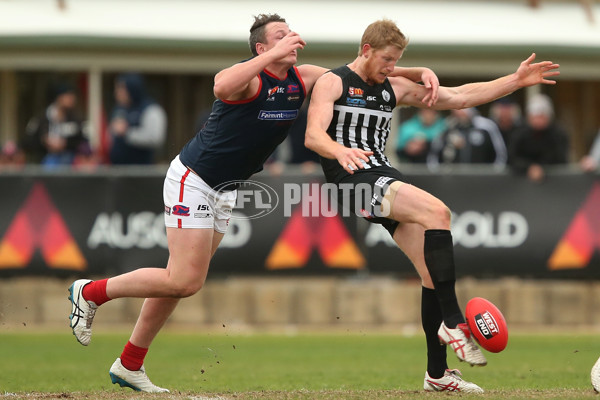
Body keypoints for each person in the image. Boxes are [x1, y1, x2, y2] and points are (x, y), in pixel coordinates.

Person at [67, 13, 441, 393]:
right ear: (262, 48)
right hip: (193, 179)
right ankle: (90, 292)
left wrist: (415, 70)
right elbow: (220, 85)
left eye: (291, 32)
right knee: (183, 280)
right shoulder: (250, 79)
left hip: (226, 189)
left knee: (178, 282)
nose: (291, 38)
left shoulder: (304, 77)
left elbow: (359, 71)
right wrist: (271, 54)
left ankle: (130, 364)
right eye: (281, 35)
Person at [304, 19, 559, 393]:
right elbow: (313, 136)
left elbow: (460, 97)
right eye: (387, 59)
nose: (391, 67)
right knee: (438, 212)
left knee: (431, 272)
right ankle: (454, 321)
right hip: (352, 180)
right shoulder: (334, 81)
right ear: (366, 50)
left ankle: (436, 375)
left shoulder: (393, 87)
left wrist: (515, 81)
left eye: (397, 61)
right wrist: (340, 151)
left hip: (381, 175)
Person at [22, 82, 88, 168]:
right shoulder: (41, 118)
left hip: (70, 163)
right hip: (44, 161)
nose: (72, 99)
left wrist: (65, 144)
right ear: (59, 97)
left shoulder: (77, 118)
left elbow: (85, 141)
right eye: (68, 95)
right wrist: (44, 141)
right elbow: (27, 142)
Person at [508, 93, 569, 183]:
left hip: (553, 184)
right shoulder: (519, 133)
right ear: (529, 116)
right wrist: (529, 167)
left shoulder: (558, 134)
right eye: (535, 116)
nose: (539, 120)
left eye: (542, 116)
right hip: (520, 184)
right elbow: (512, 158)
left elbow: (561, 158)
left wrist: (542, 168)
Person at [108, 73, 167, 165]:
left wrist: (127, 133)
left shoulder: (150, 109)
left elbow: (155, 139)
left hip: (141, 171)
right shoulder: (119, 109)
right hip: (118, 170)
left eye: (121, 88)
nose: (117, 93)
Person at [427, 107, 507, 170]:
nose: (458, 112)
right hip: (453, 179)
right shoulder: (447, 127)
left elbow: (500, 154)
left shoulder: (486, 126)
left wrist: (494, 173)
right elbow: (434, 154)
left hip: (481, 179)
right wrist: (438, 174)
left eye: (461, 109)